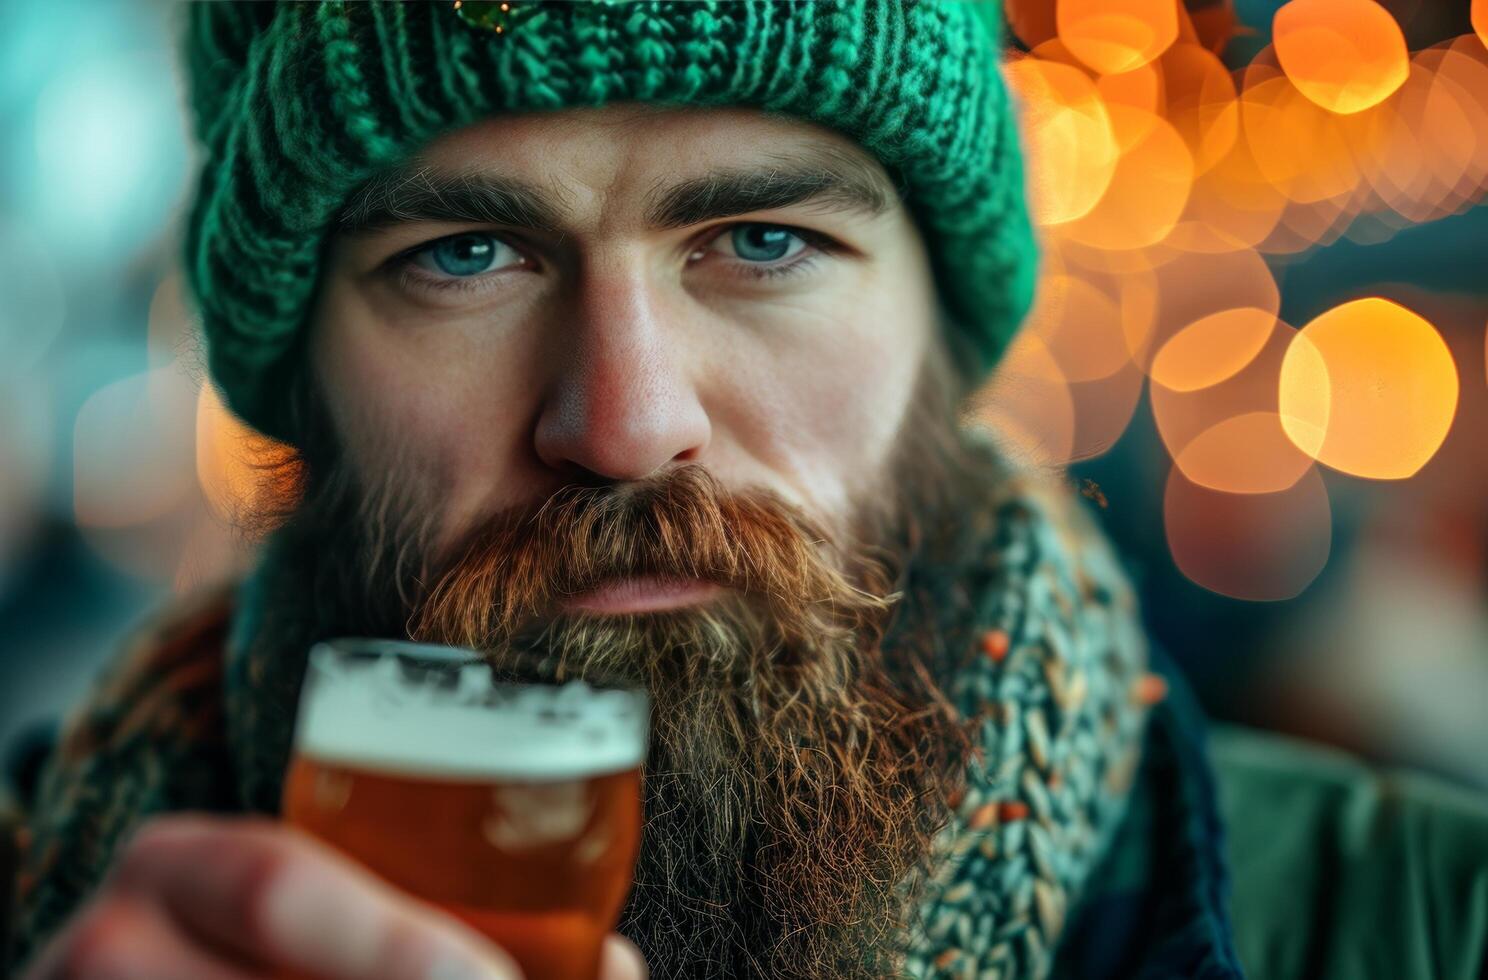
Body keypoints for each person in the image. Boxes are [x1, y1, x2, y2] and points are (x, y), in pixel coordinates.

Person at [4, 2, 1487, 978]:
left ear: (940, 330)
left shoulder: (1423, 923)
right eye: (464, 255)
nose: (629, 423)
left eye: (763, 241)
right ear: (298, 367)